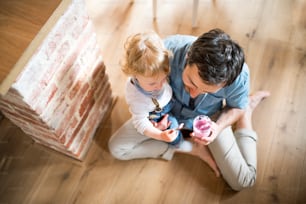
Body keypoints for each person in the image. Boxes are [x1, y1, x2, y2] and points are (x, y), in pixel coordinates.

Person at [108, 28, 270, 191]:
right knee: (117, 148)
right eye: (191, 82)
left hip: (209, 118)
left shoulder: (239, 77)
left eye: (206, 91)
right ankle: (191, 148)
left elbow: (235, 107)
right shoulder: (166, 52)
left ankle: (246, 113)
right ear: (187, 57)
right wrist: (155, 123)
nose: (193, 94)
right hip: (165, 109)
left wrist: (218, 127)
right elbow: (140, 82)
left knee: (243, 181)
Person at [121, 32, 183, 147]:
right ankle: (177, 144)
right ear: (134, 75)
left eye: (164, 79)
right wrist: (160, 134)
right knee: (174, 134)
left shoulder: (154, 72)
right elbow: (140, 122)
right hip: (158, 114)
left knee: (181, 115)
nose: (159, 86)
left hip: (169, 101)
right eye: (152, 83)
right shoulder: (137, 98)